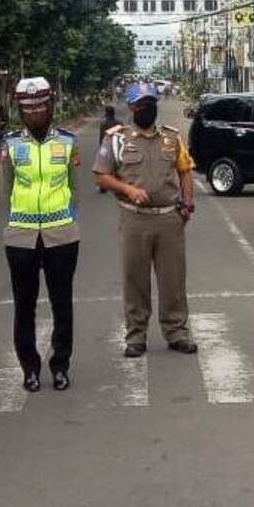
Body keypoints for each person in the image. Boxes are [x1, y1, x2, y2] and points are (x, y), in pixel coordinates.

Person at [93, 81, 198, 357]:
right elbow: (101, 174)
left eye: (151, 104)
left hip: (169, 219)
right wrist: (128, 190)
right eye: (141, 105)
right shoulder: (116, 139)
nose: (147, 109)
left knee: (173, 280)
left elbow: (186, 170)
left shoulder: (172, 138)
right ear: (131, 108)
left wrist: (187, 205)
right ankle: (136, 336)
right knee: (135, 279)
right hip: (134, 220)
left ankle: (177, 332)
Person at [1, 77, 81, 392]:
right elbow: (5, 190)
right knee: (24, 306)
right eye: (28, 107)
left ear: (50, 106)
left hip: (61, 235)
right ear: (20, 110)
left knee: (62, 304)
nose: (34, 113)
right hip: (21, 238)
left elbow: (75, 190)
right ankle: (29, 368)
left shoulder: (68, 142)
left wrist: (66, 220)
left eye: (40, 106)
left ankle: (60, 365)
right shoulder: (10, 144)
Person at [97, 105, 121, 194]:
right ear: (114, 113)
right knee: (118, 167)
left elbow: (102, 136)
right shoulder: (119, 123)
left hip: (105, 146)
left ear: (106, 113)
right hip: (117, 146)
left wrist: (101, 148)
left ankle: (103, 187)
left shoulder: (103, 123)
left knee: (102, 167)